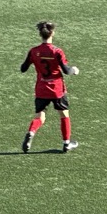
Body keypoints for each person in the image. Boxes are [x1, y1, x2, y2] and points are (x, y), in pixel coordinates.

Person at [20, 20, 79, 153]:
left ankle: (31, 132)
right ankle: (66, 143)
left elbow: (23, 68)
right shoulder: (57, 51)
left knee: (39, 117)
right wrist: (74, 70)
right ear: (52, 33)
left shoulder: (34, 51)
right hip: (57, 88)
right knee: (64, 114)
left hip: (41, 88)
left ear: (40, 34)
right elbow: (66, 70)